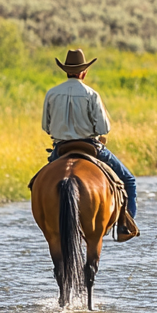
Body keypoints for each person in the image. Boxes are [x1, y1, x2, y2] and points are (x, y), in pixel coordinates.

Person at [42, 49, 137, 219]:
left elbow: (46, 127)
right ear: (84, 73)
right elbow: (103, 129)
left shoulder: (51, 93)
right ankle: (126, 224)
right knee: (129, 180)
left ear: (66, 72)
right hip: (90, 146)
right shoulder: (91, 94)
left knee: (39, 183)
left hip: (61, 147)